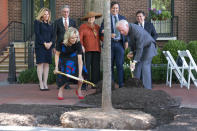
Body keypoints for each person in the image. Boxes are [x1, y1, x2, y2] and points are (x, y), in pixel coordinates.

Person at [116, 20, 157, 89]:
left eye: (122, 30)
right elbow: (133, 43)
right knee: (136, 68)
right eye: (119, 31)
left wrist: (134, 61)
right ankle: (135, 89)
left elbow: (140, 48)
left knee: (144, 67)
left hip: (148, 47)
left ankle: (147, 90)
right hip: (141, 48)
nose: (121, 33)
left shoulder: (136, 31)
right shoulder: (128, 30)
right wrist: (132, 52)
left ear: (126, 25)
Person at [100, 1, 128, 88]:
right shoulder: (106, 18)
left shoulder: (122, 18)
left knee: (120, 65)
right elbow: (101, 31)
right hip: (110, 45)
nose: (115, 10)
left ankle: (121, 84)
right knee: (110, 65)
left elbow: (127, 31)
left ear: (118, 9)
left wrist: (126, 41)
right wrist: (109, 34)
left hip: (120, 44)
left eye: (117, 8)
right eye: (113, 8)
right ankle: (111, 85)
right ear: (110, 9)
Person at [54, 27, 84, 100]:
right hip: (63, 58)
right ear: (68, 37)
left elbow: (80, 60)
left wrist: (79, 75)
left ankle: (79, 90)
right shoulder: (61, 42)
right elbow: (57, 55)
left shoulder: (78, 43)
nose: (74, 39)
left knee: (83, 72)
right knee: (67, 70)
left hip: (74, 58)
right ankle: (61, 90)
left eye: (76, 37)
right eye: (72, 38)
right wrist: (56, 67)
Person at [54, 5, 76, 89]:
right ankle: (60, 84)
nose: (66, 13)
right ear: (61, 12)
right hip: (60, 46)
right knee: (60, 64)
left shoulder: (73, 22)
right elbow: (54, 35)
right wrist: (54, 47)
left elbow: (75, 33)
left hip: (70, 47)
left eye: (67, 12)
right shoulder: (57, 22)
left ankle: (66, 83)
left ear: (69, 12)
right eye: (64, 11)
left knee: (68, 64)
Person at [79, 12, 102, 88]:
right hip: (87, 50)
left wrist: (105, 35)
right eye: (89, 17)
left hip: (96, 49)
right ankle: (85, 83)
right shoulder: (83, 26)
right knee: (86, 67)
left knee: (96, 67)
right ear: (87, 19)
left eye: (92, 17)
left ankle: (95, 84)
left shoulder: (98, 27)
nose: (91, 18)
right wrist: (81, 46)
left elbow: (102, 38)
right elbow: (80, 38)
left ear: (95, 18)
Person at [34, 8, 54, 91]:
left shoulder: (50, 24)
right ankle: (41, 83)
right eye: (45, 14)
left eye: (48, 14)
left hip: (49, 47)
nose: (46, 16)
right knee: (40, 64)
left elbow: (53, 35)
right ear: (42, 15)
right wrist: (44, 43)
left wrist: (51, 43)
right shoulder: (37, 22)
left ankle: (45, 82)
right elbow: (37, 34)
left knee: (47, 65)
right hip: (40, 46)